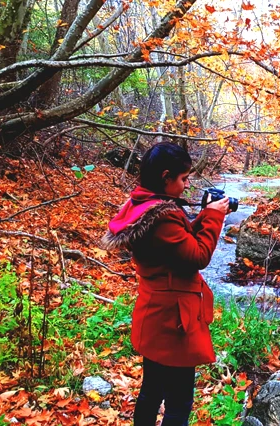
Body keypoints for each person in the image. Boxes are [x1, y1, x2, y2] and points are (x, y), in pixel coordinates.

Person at [101, 142, 229, 425]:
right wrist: (214, 216)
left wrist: (204, 215)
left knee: (152, 391)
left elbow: (176, 244)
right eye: (184, 179)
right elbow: (198, 255)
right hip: (175, 322)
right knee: (178, 402)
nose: (186, 185)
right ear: (166, 177)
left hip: (155, 313)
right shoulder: (163, 216)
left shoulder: (142, 205)